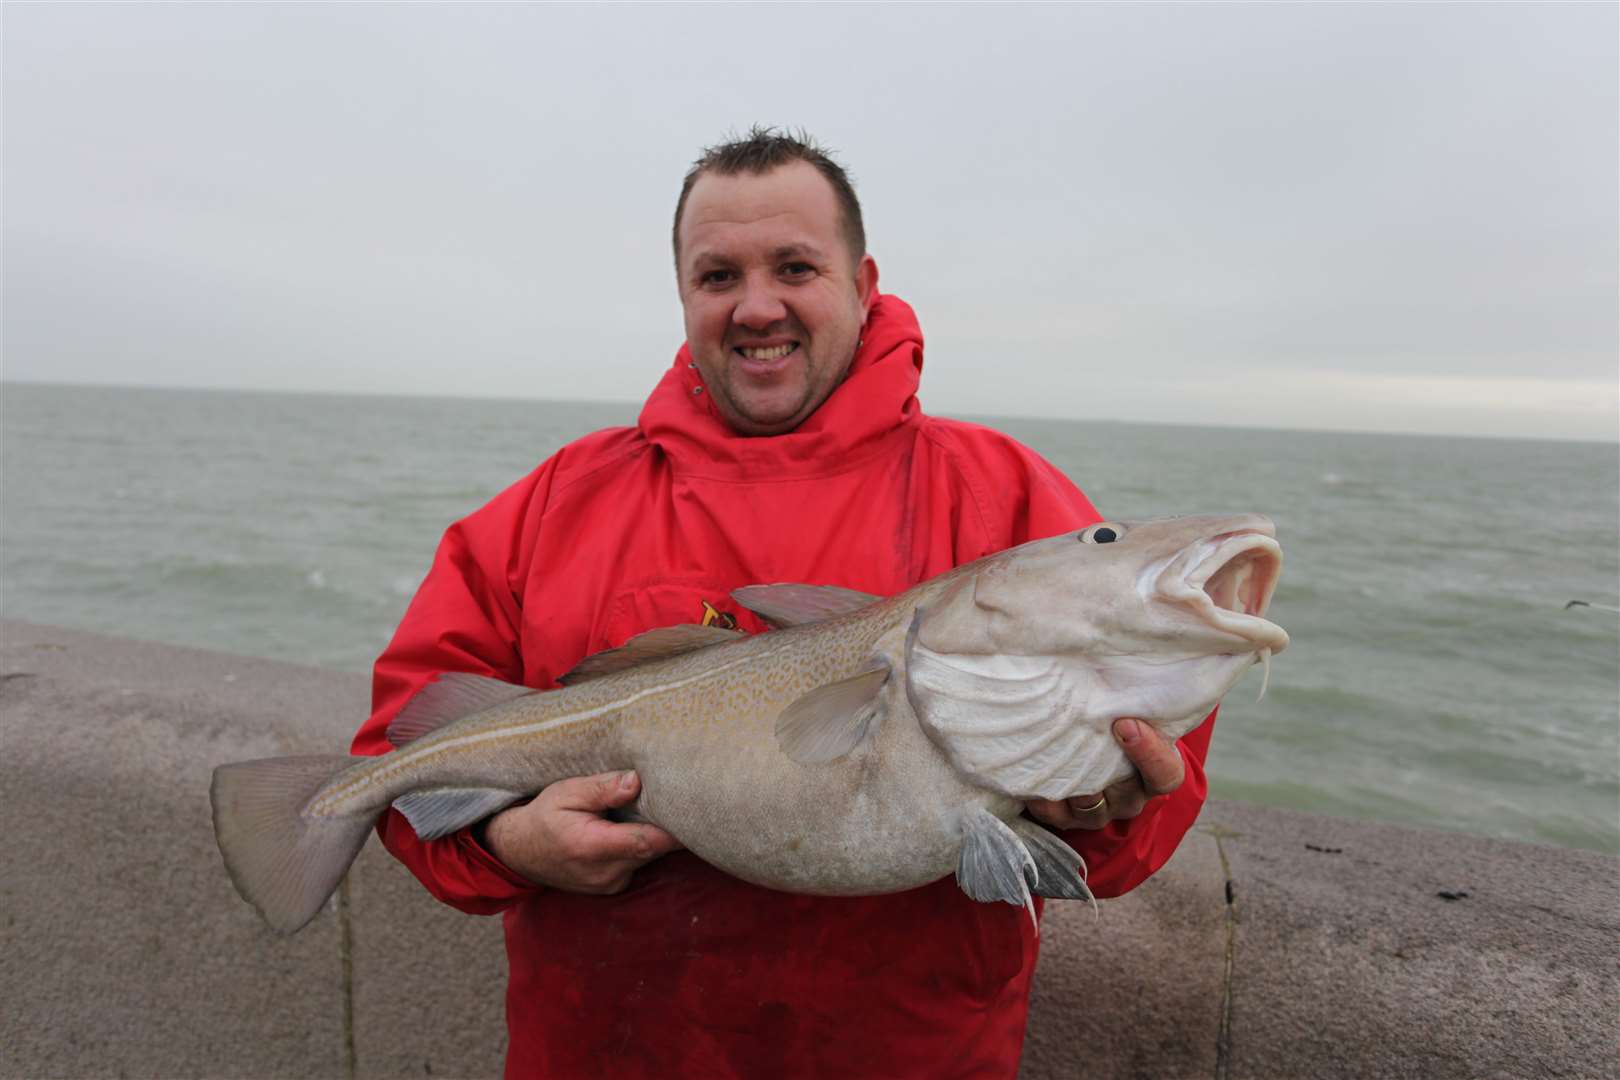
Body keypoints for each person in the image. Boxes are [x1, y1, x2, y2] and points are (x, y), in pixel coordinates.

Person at [352, 128, 1213, 1079]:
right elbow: (400, 750)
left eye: (795, 266)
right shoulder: (556, 501)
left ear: (864, 280)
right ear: (683, 293)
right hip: (604, 1052)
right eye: (718, 276)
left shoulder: (1009, 501)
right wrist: (509, 842)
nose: (758, 307)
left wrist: (1106, 805)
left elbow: (1142, 822)